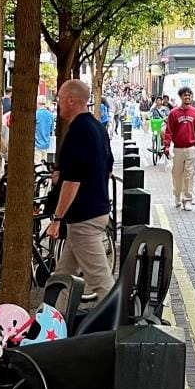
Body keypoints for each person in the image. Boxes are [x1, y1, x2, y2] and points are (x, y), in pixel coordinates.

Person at [46, 79, 115, 307]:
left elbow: (72, 183)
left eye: (59, 100)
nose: (58, 104)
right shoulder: (98, 128)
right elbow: (106, 168)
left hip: (84, 218)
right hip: (95, 212)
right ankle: (52, 318)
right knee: (63, 275)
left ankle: (119, 322)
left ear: (70, 101)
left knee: (100, 280)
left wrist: (57, 219)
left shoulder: (77, 132)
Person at [163, 87, 195, 210]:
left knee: (189, 174)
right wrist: (166, 146)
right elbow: (169, 132)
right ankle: (177, 195)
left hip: (191, 148)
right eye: (185, 95)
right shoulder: (174, 113)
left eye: (189, 95)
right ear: (181, 97)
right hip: (177, 149)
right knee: (177, 174)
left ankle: (187, 199)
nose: (187, 97)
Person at [35, 98, 55, 165]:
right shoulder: (50, 115)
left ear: (37, 103)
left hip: (36, 143)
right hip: (46, 144)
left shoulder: (36, 114)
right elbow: (51, 130)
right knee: (44, 164)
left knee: (37, 165)